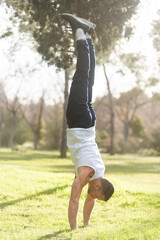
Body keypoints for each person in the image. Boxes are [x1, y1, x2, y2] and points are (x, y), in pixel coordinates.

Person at [62, 13, 114, 230]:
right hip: (79, 121)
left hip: (89, 123)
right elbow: (74, 200)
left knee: (88, 82)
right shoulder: (87, 175)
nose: (92, 196)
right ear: (98, 185)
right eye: (97, 194)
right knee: (82, 77)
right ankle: (80, 32)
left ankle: (89, 37)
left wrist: (87, 223)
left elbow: (89, 200)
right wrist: (73, 230)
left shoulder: (99, 173)